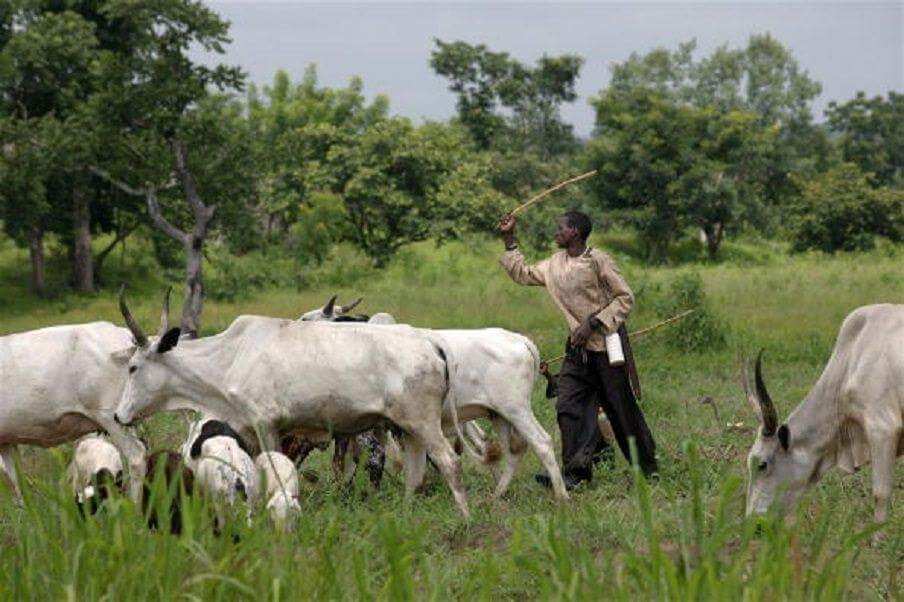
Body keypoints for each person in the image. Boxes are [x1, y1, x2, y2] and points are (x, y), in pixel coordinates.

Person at [499, 210, 657, 489]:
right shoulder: (554, 264)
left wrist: (594, 322)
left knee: (621, 411)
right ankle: (576, 474)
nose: (556, 232)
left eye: (561, 228)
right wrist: (510, 239)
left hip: (607, 348)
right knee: (568, 406)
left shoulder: (598, 260)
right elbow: (523, 274)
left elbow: (625, 298)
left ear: (575, 232)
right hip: (577, 351)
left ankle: (647, 469)